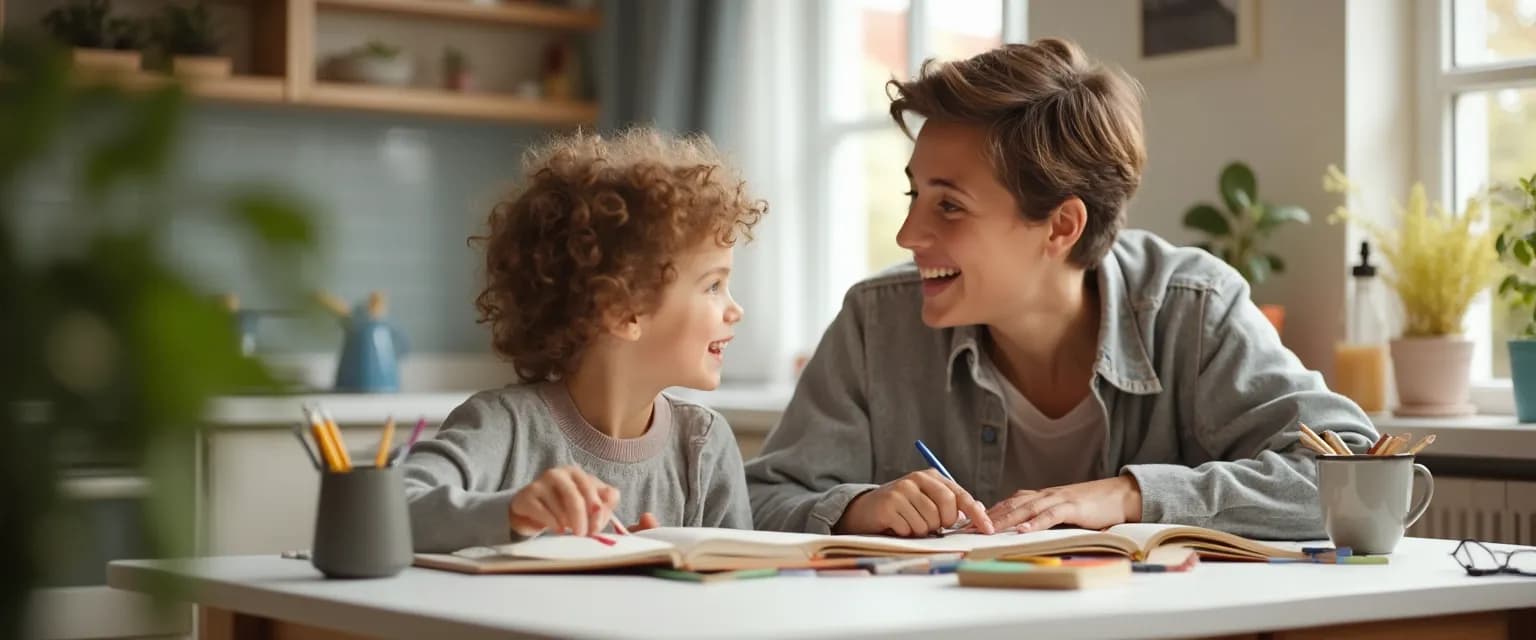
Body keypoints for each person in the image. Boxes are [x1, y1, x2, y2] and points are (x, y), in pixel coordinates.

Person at [746, 38, 1376, 540]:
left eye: (950, 206)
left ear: (1062, 226)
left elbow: (1360, 475)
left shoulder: (1192, 307)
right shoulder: (875, 322)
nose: (909, 234)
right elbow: (755, 498)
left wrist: (1130, 496)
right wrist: (858, 508)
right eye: (916, 195)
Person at [403, 129, 765, 552]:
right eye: (713, 285)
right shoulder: (505, 427)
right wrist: (515, 512)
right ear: (622, 309)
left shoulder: (705, 446)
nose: (734, 309)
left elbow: (740, 583)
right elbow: (390, 510)